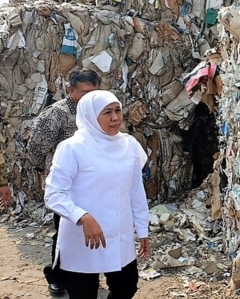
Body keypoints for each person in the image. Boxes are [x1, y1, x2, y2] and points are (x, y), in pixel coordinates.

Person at [44, 90, 150, 299]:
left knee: (126, 288)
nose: (115, 118)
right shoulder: (72, 148)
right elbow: (53, 194)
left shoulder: (129, 145)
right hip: (83, 238)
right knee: (83, 293)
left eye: (118, 110)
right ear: (90, 116)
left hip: (119, 235)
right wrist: (82, 217)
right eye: (107, 112)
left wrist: (143, 229)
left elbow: (136, 191)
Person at [27, 68, 101, 295]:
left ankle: (87, 275)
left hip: (92, 184)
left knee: (91, 231)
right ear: (71, 90)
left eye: (94, 92)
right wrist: (45, 170)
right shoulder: (56, 114)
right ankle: (57, 276)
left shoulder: (97, 111)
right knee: (65, 234)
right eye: (85, 92)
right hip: (66, 187)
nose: (90, 98)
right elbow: (35, 148)